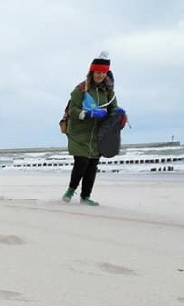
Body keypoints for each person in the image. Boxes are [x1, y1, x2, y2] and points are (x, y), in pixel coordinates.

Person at [62, 52, 123, 206]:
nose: (100, 75)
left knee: (92, 166)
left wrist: (119, 115)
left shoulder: (109, 92)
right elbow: (72, 110)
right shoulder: (80, 90)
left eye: (103, 72)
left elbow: (113, 110)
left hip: (98, 135)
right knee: (81, 162)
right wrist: (88, 113)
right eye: (98, 72)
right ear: (92, 72)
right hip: (79, 134)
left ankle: (85, 197)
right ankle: (70, 190)